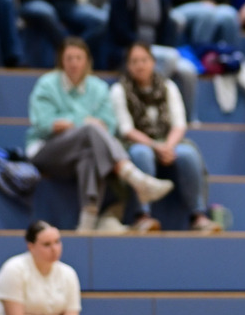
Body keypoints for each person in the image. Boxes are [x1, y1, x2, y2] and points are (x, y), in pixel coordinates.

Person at [27, 38, 174, 232]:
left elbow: (109, 125)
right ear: (61, 60)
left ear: (87, 61)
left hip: (81, 154)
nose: (74, 63)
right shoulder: (47, 84)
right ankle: (134, 177)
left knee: (90, 154)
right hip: (46, 150)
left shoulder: (98, 87)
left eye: (78, 58)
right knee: (90, 130)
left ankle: (87, 222)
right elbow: (43, 123)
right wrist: (84, 122)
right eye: (69, 58)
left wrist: (70, 123)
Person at [109, 43, 219, 233]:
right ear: (128, 66)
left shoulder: (168, 86)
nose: (140, 65)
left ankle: (198, 215)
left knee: (188, 154)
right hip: (136, 143)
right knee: (141, 154)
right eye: (134, 61)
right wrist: (155, 146)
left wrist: (168, 146)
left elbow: (179, 124)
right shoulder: (119, 90)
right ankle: (142, 215)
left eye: (144, 60)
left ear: (153, 62)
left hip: (168, 141)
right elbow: (126, 129)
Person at [107, 0, 198, 122]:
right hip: (129, 51)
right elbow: (119, 30)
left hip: (158, 52)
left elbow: (167, 32)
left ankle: (188, 118)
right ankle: (152, 103)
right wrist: (143, 51)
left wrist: (156, 51)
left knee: (188, 71)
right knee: (171, 57)